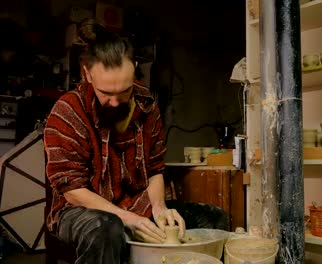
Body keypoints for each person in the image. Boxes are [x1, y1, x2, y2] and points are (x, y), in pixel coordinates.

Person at [44, 24, 227, 264]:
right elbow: (73, 191)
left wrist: (160, 208)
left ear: (135, 70)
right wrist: (126, 218)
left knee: (211, 219)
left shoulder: (146, 104)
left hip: (137, 204)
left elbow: (154, 170)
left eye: (124, 92)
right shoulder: (68, 112)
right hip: (82, 211)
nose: (115, 102)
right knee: (106, 228)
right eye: (106, 93)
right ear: (87, 73)